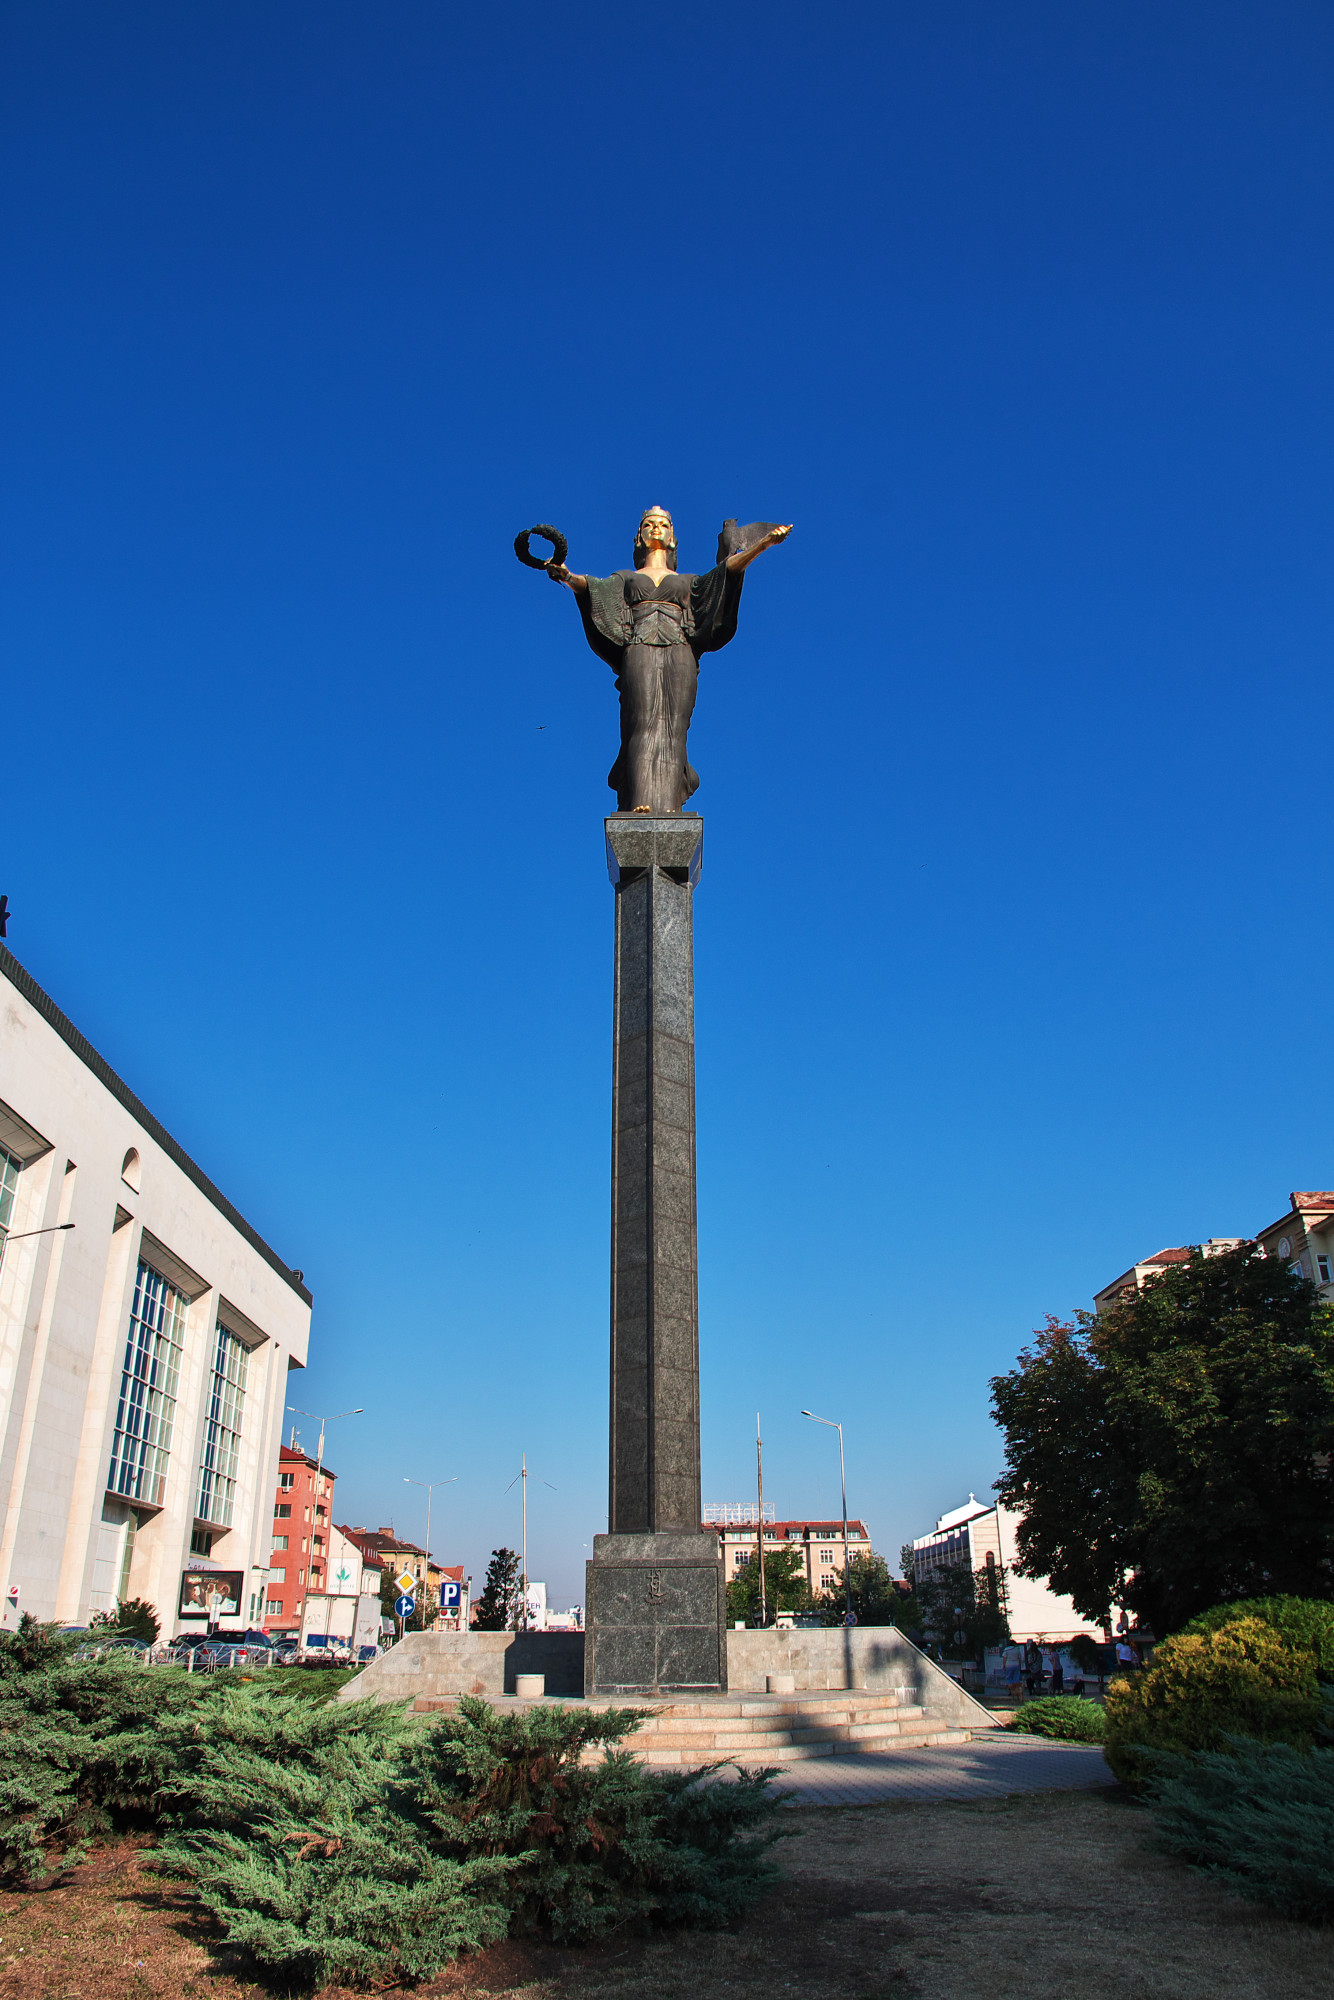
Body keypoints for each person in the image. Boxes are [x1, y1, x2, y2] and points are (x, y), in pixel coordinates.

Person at [550, 508, 792, 815]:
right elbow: (594, 587)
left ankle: (669, 805)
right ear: (639, 536)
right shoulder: (627, 578)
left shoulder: (689, 582)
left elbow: (726, 572)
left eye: (663, 525)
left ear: (673, 538)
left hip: (680, 651)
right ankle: (641, 799)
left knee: (674, 729)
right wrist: (566, 575)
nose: (656, 529)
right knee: (641, 724)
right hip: (639, 648)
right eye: (649, 525)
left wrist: (763, 545)